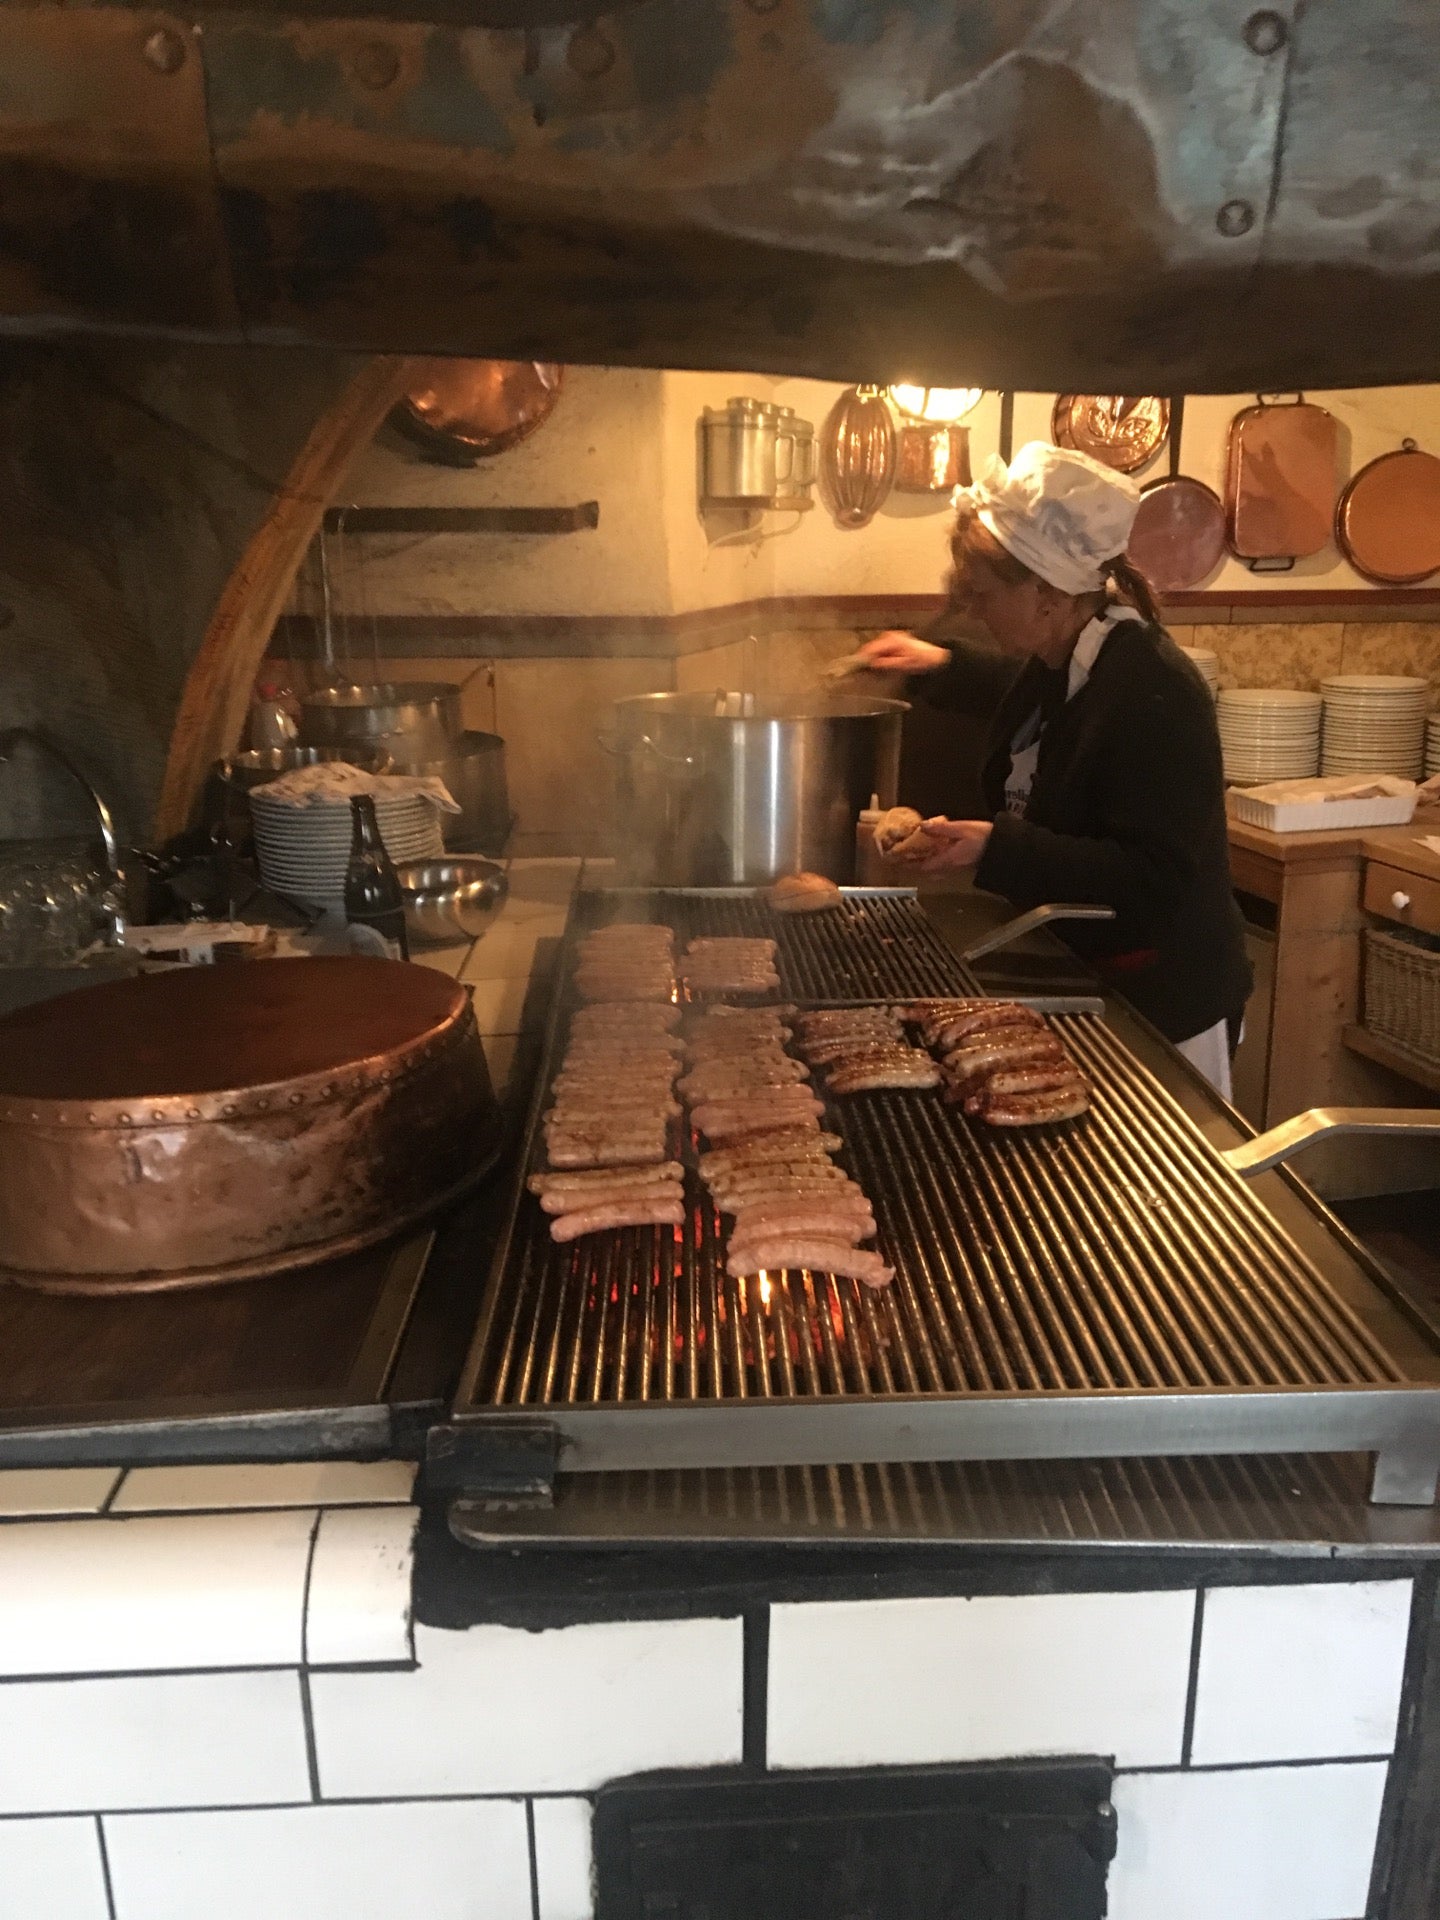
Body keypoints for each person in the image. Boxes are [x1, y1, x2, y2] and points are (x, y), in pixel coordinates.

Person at [859, 441, 1251, 1098]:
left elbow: (1150, 875)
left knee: (1160, 1187)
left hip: (1165, 999)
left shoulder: (1157, 690)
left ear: (1044, 593)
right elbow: (1042, 704)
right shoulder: (1066, 658)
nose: (973, 610)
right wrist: (937, 663)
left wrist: (994, 848)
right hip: (1094, 975)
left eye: (980, 594)